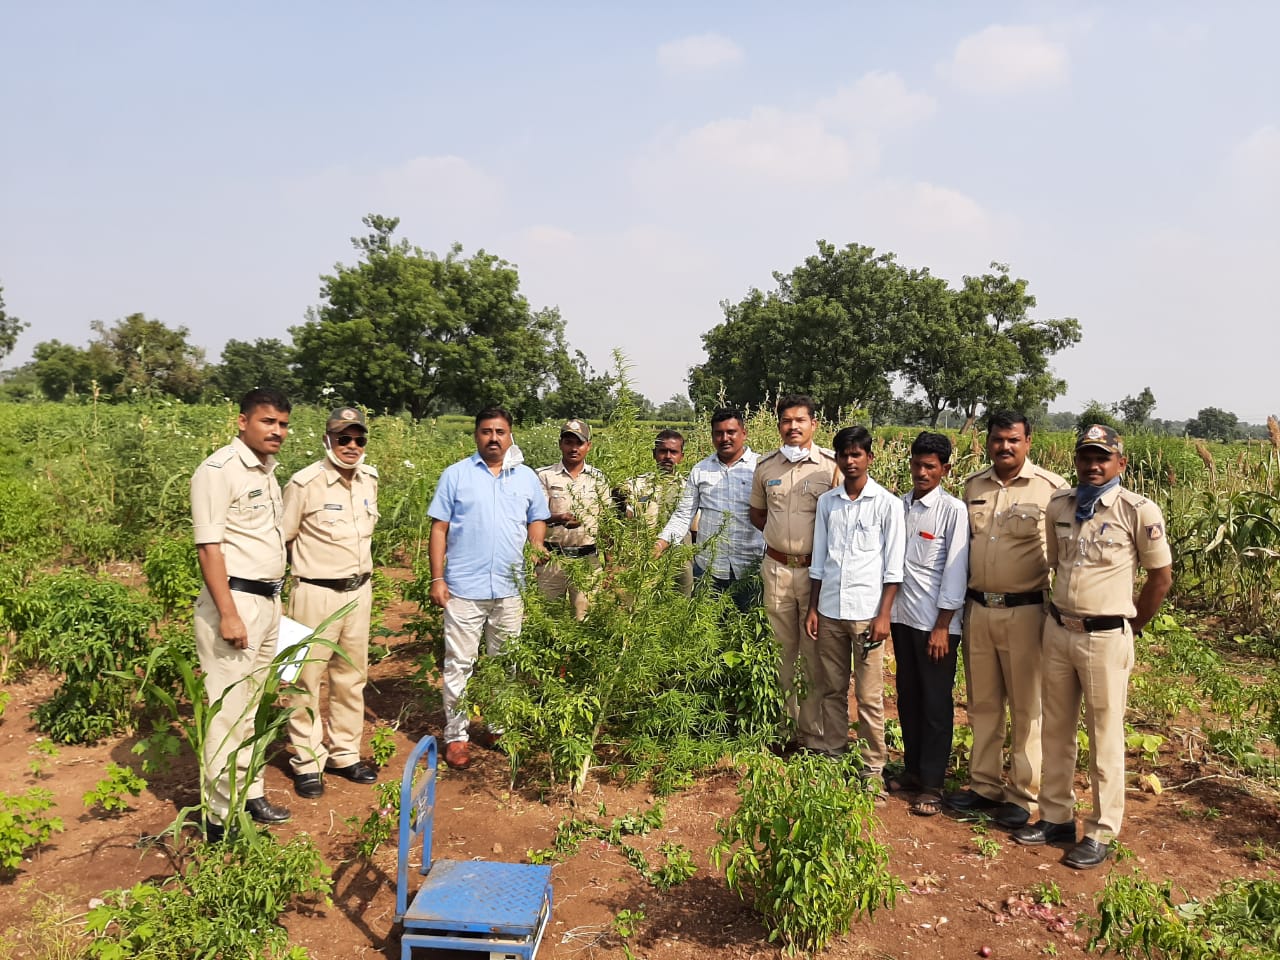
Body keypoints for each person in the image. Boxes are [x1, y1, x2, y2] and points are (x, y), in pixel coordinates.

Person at [1012, 424, 1172, 869]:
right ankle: (1057, 816)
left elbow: (1161, 577)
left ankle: (1102, 830)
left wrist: (1133, 623)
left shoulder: (1136, 510)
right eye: (1086, 456)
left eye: (1102, 457)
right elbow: (1058, 562)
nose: (1093, 465)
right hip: (1060, 630)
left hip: (1105, 636)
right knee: (1056, 731)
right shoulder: (1059, 505)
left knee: (1105, 736)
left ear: (1120, 463)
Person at [946, 411, 1067, 828]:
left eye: (1013, 440)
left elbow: (1063, 553)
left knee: (1026, 706)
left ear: (1028, 442)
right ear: (988, 441)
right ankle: (983, 786)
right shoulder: (973, 486)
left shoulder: (1052, 490)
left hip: (1026, 611)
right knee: (982, 703)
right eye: (998, 439)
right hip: (979, 608)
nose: (1005, 447)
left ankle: (1021, 794)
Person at [190, 387, 293, 839]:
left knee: (252, 706)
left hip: (267, 601)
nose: (277, 431)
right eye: (268, 422)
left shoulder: (266, 471)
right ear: (242, 421)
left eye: (284, 424)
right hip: (235, 603)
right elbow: (209, 548)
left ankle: (248, 794)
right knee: (228, 712)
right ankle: (218, 817)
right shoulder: (218, 471)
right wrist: (229, 614)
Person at [427, 407, 549, 770]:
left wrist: (537, 545)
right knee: (459, 663)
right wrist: (437, 578)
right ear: (476, 435)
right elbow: (439, 529)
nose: (493, 438)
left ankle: (498, 727)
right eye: (486, 431)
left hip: (511, 589)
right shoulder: (456, 475)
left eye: (500, 432)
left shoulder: (525, 477)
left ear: (510, 435)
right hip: (464, 587)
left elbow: (537, 517)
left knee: (505, 663)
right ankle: (457, 736)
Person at [281, 406, 380, 799]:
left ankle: (344, 753)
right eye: (344, 438)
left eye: (358, 439)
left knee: (351, 676)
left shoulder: (369, 480)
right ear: (328, 440)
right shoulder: (305, 484)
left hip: (358, 591)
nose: (352, 446)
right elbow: (283, 539)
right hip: (314, 592)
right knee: (305, 678)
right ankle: (307, 761)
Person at [805, 426, 903, 780]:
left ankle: (872, 767)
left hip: (866, 614)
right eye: (844, 455)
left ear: (869, 458)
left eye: (856, 454)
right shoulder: (827, 503)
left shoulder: (887, 505)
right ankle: (834, 754)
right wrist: (814, 608)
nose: (850, 461)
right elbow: (819, 560)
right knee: (832, 689)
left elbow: (894, 568)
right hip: (830, 610)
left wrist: (883, 615)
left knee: (869, 696)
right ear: (838, 459)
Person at [750, 395, 837, 750]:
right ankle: (783, 730)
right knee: (781, 651)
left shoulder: (829, 467)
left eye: (800, 420)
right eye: (786, 421)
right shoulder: (766, 467)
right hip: (776, 570)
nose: (793, 427)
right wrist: (782, 543)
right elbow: (757, 514)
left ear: (814, 425)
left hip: (817, 573)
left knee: (815, 654)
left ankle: (812, 734)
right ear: (779, 426)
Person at [890, 431, 970, 817]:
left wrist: (943, 625)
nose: (921, 472)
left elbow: (955, 572)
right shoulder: (899, 506)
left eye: (930, 467)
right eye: (917, 465)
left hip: (935, 624)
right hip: (902, 618)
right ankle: (913, 770)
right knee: (908, 697)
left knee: (936, 704)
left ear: (945, 470)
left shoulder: (953, 511)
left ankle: (933, 785)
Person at [656, 408, 764, 611]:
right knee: (708, 633)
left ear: (744, 433)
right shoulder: (701, 470)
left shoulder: (762, 467)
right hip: (709, 569)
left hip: (752, 568)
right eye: (718, 433)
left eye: (731, 432)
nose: (725, 438)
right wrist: (660, 545)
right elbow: (683, 516)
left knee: (749, 634)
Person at [536, 419, 611, 620]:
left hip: (588, 560)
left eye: (579, 443)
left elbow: (607, 523)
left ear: (588, 446)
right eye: (568, 442)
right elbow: (535, 516)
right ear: (561, 444)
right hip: (553, 559)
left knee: (585, 620)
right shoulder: (544, 476)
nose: (573, 448)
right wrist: (558, 519)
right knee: (547, 618)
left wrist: (611, 565)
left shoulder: (599, 479)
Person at [621, 429, 693, 594]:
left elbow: (695, 530)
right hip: (645, 559)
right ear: (654, 453)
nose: (668, 456)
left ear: (681, 456)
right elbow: (625, 520)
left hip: (679, 560)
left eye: (673, 452)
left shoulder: (689, 488)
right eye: (663, 451)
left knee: (679, 608)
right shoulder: (635, 485)